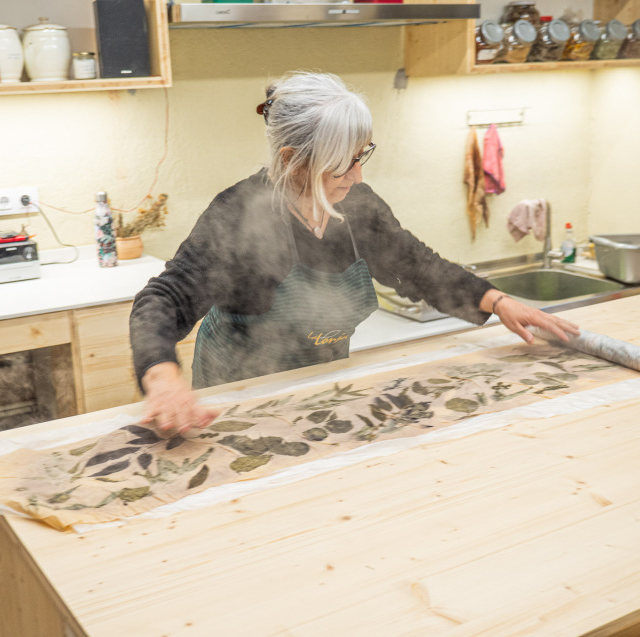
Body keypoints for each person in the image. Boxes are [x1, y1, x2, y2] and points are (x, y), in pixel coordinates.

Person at [130, 71, 578, 434]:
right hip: (239, 399)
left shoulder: (358, 207)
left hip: (324, 388)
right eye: (343, 163)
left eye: (362, 155)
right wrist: (163, 377)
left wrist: (497, 301)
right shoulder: (237, 213)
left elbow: (415, 264)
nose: (358, 176)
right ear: (291, 160)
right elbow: (164, 298)